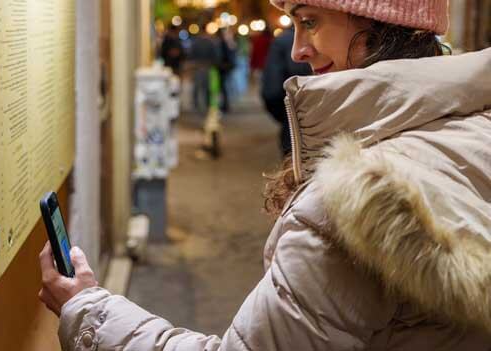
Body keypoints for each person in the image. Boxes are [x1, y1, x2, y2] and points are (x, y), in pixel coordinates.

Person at [39, 1, 491, 350]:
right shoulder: (474, 132)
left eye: (309, 20)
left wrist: (89, 310)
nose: (297, 49)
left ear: (381, 23)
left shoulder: (359, 202)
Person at [261, 26, 311, 156]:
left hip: (295, 120)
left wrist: (285, 115)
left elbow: (271, 91)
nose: (296, 54)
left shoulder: (283, 40)